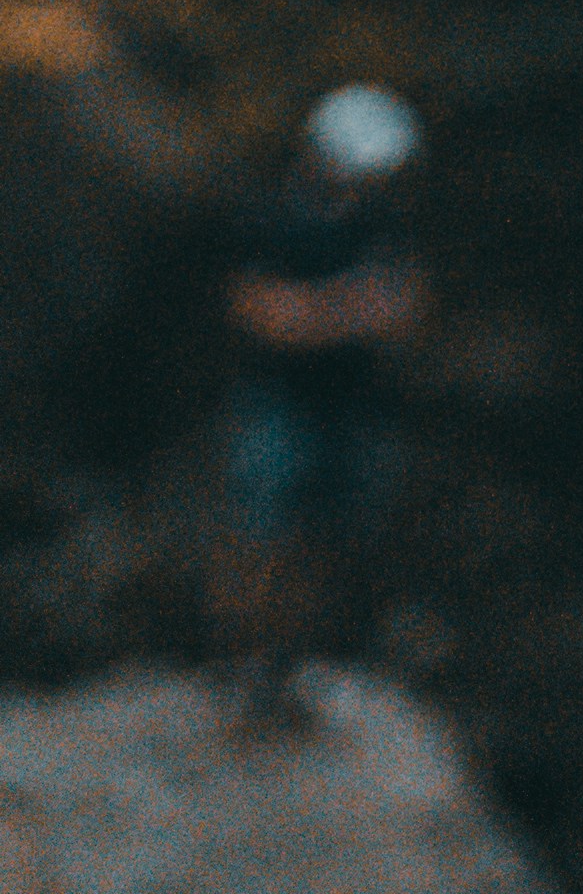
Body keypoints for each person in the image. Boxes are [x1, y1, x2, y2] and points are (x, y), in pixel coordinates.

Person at [216, 87, 426, 725]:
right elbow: (262, 312)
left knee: (328, 543)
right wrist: (350, 308)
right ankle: (247, 673)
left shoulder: (379, 223)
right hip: (280, 405)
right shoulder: (270, 219)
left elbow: (405, 307)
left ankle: (290, 671)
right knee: (262, 538)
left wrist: (321, 311)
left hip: (352, 410)